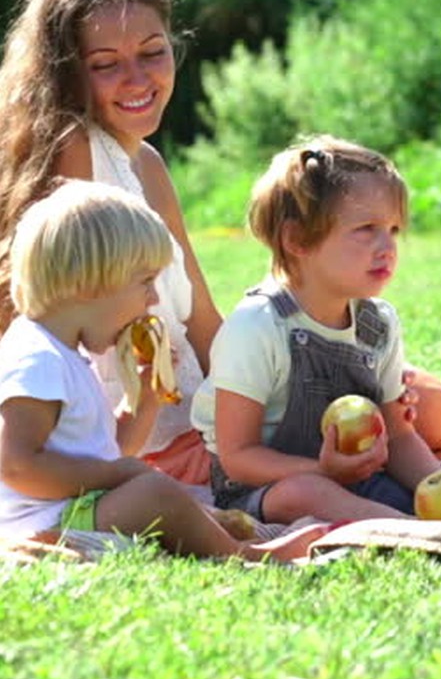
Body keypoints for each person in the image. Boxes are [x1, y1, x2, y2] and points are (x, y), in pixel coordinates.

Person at [0, 0, 441, 488]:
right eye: (105, 65)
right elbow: (41, 314)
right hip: (159, 432)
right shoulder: (74, 151)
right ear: (66, 71)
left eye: (152, 52)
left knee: (434, 407)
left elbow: (201, 320)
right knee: (415, 421)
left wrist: (270, 374)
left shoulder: (144, 162)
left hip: (207, 401)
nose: (137, 78)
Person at [191, 135, 441, 525]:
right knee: (308, 494)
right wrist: (324, 472)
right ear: (297, 239)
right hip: (264, 487)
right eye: (367, 228)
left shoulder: (378, 324)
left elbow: (400, 437)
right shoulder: (257, 326)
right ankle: (402, 528)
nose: (387, 246)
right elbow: (239, 458)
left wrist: (437, 485)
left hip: (359, 478)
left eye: (394, 229)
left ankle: (422, 521)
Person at [0, 179, 327, 562]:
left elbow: (110, 451)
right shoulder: (37, 358)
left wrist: (147, 400)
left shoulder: (67, 355)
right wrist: (119, 476)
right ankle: (247, 556)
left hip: (77, 508)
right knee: (156, 494)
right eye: (144, 283)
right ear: (90, 284)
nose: (154, 299)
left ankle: (213, 530)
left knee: (163, 493)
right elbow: (17, 465)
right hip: (44, 522)